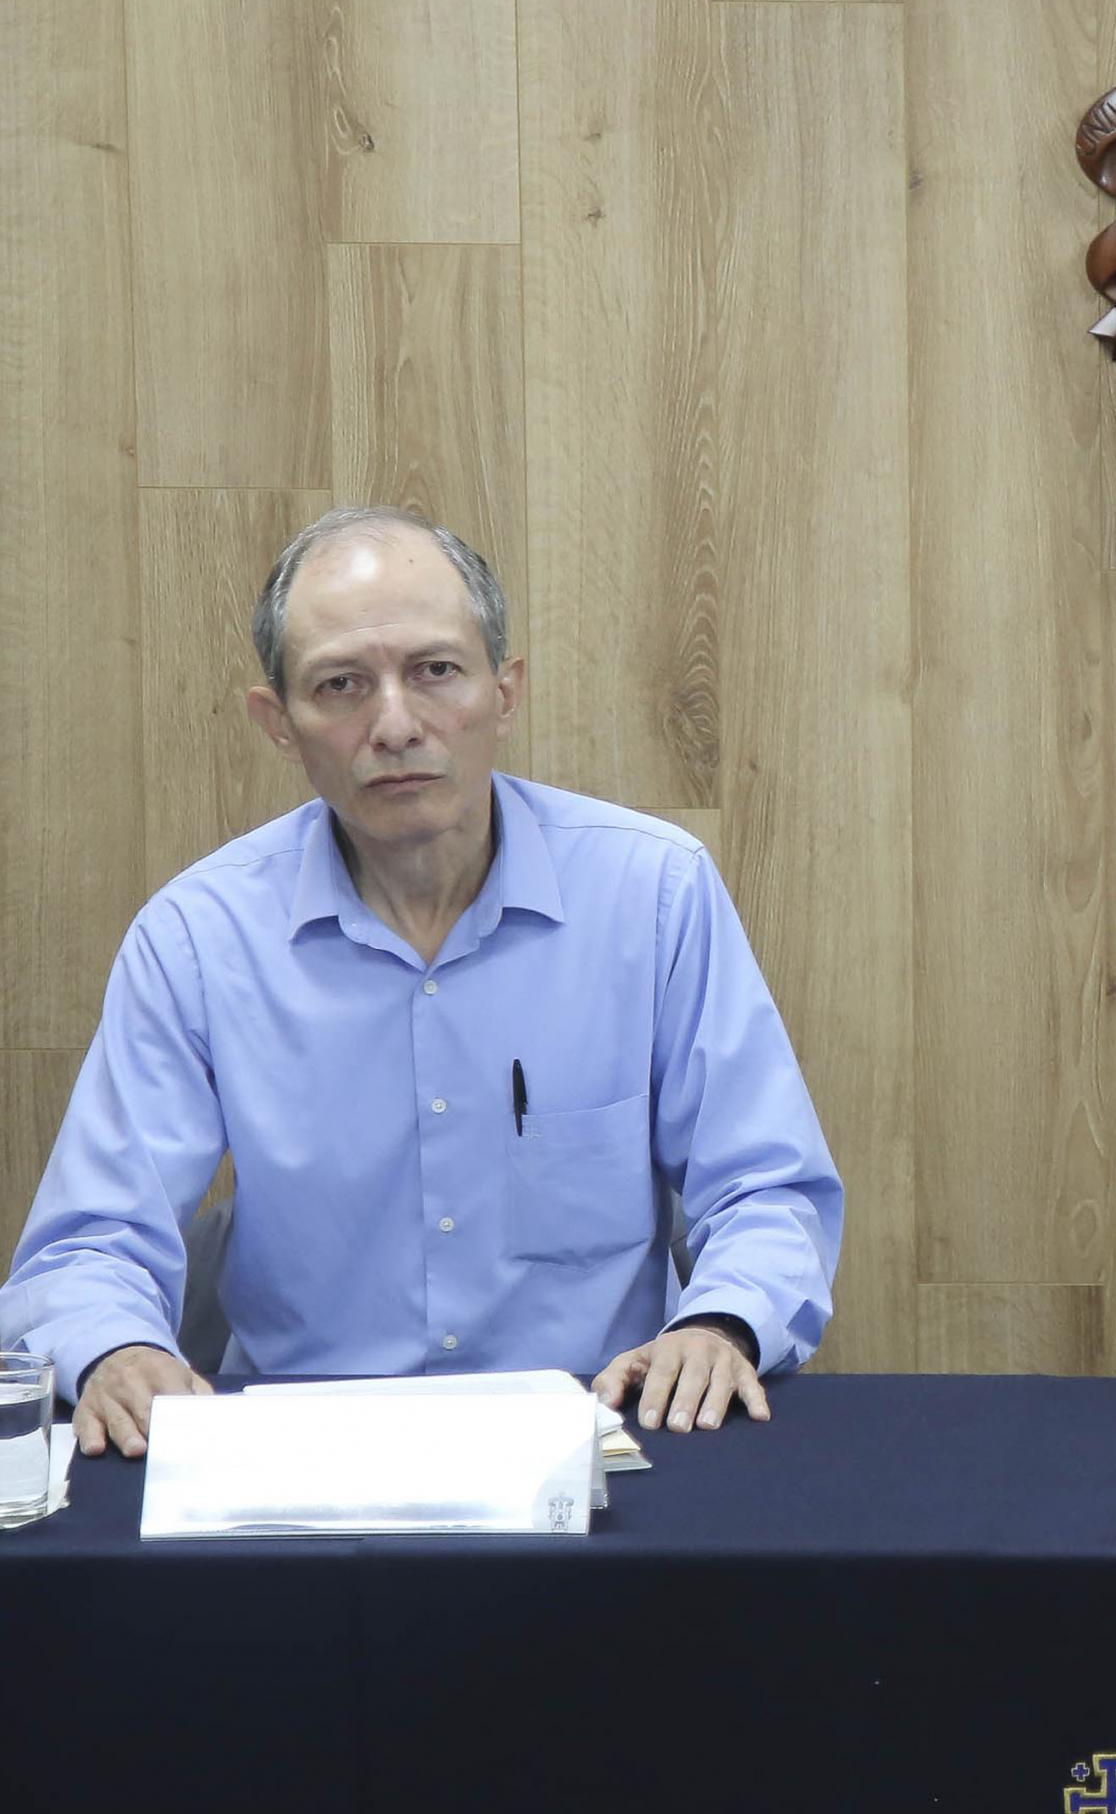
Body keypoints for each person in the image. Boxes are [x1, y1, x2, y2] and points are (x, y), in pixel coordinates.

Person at [2, 508, 842, 1456]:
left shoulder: (652, 894)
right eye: (341, 685)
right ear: (278, 723)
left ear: (505, 691)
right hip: (302, 1466)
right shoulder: (199, 938)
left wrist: (720, 1323)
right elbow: (87, 1244)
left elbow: (768, 1189)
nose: (396, 725)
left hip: (602, 1447)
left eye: (436, 671)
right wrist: (114, 1349)